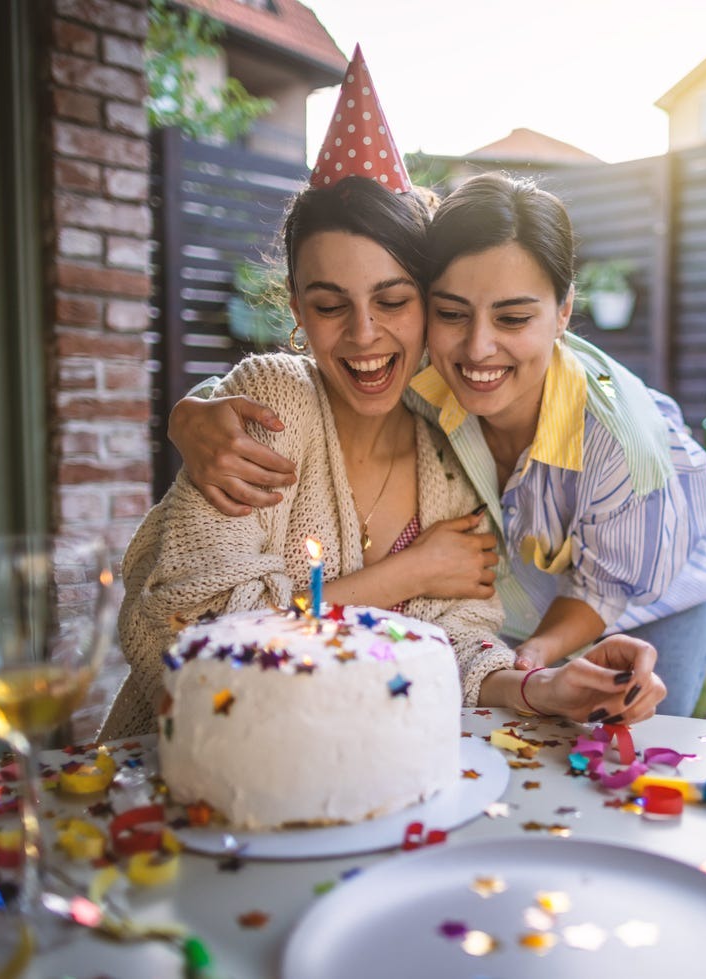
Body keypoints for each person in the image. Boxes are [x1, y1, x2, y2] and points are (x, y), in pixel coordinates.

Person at [102, 51, 666, 740]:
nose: (364, 336)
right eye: (329, 304)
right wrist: (408, 572)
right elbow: (182, 635)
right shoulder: (267, 408)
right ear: (296, 312)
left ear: (430, 306)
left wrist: (539, 686)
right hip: (192, 766)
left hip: (349, 780)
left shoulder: (452, 436)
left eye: (393, 300)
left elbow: (455, 642)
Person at [170, 172, 706, 718]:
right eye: (452, 313)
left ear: (563, 312)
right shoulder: (418, 372)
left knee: (638, 745)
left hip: (654, 585)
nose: (478, 348)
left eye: (512, 317)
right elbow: (310, 376)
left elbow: (602, 593)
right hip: (520, 587)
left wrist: (528, 662)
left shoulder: (626, 451)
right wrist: (190, 414)